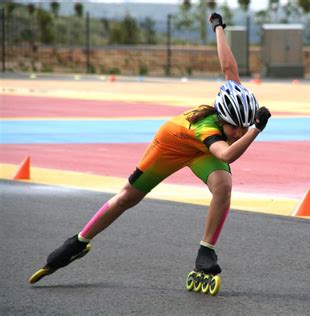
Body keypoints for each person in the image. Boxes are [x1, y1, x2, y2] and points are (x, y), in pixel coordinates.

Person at [29, 13, 271, 295]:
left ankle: (206, 252)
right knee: (126, 198)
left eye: (243, 128)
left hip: (201, 152)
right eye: (235, 128)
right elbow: (227, 155)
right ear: (221, 117)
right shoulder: (207, 127)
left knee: (223, 185)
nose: (239, 133)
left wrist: (218, 27)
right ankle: (80, 241)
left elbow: (228, 65)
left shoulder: (234, 97)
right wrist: (255, 130)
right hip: (170, 145)